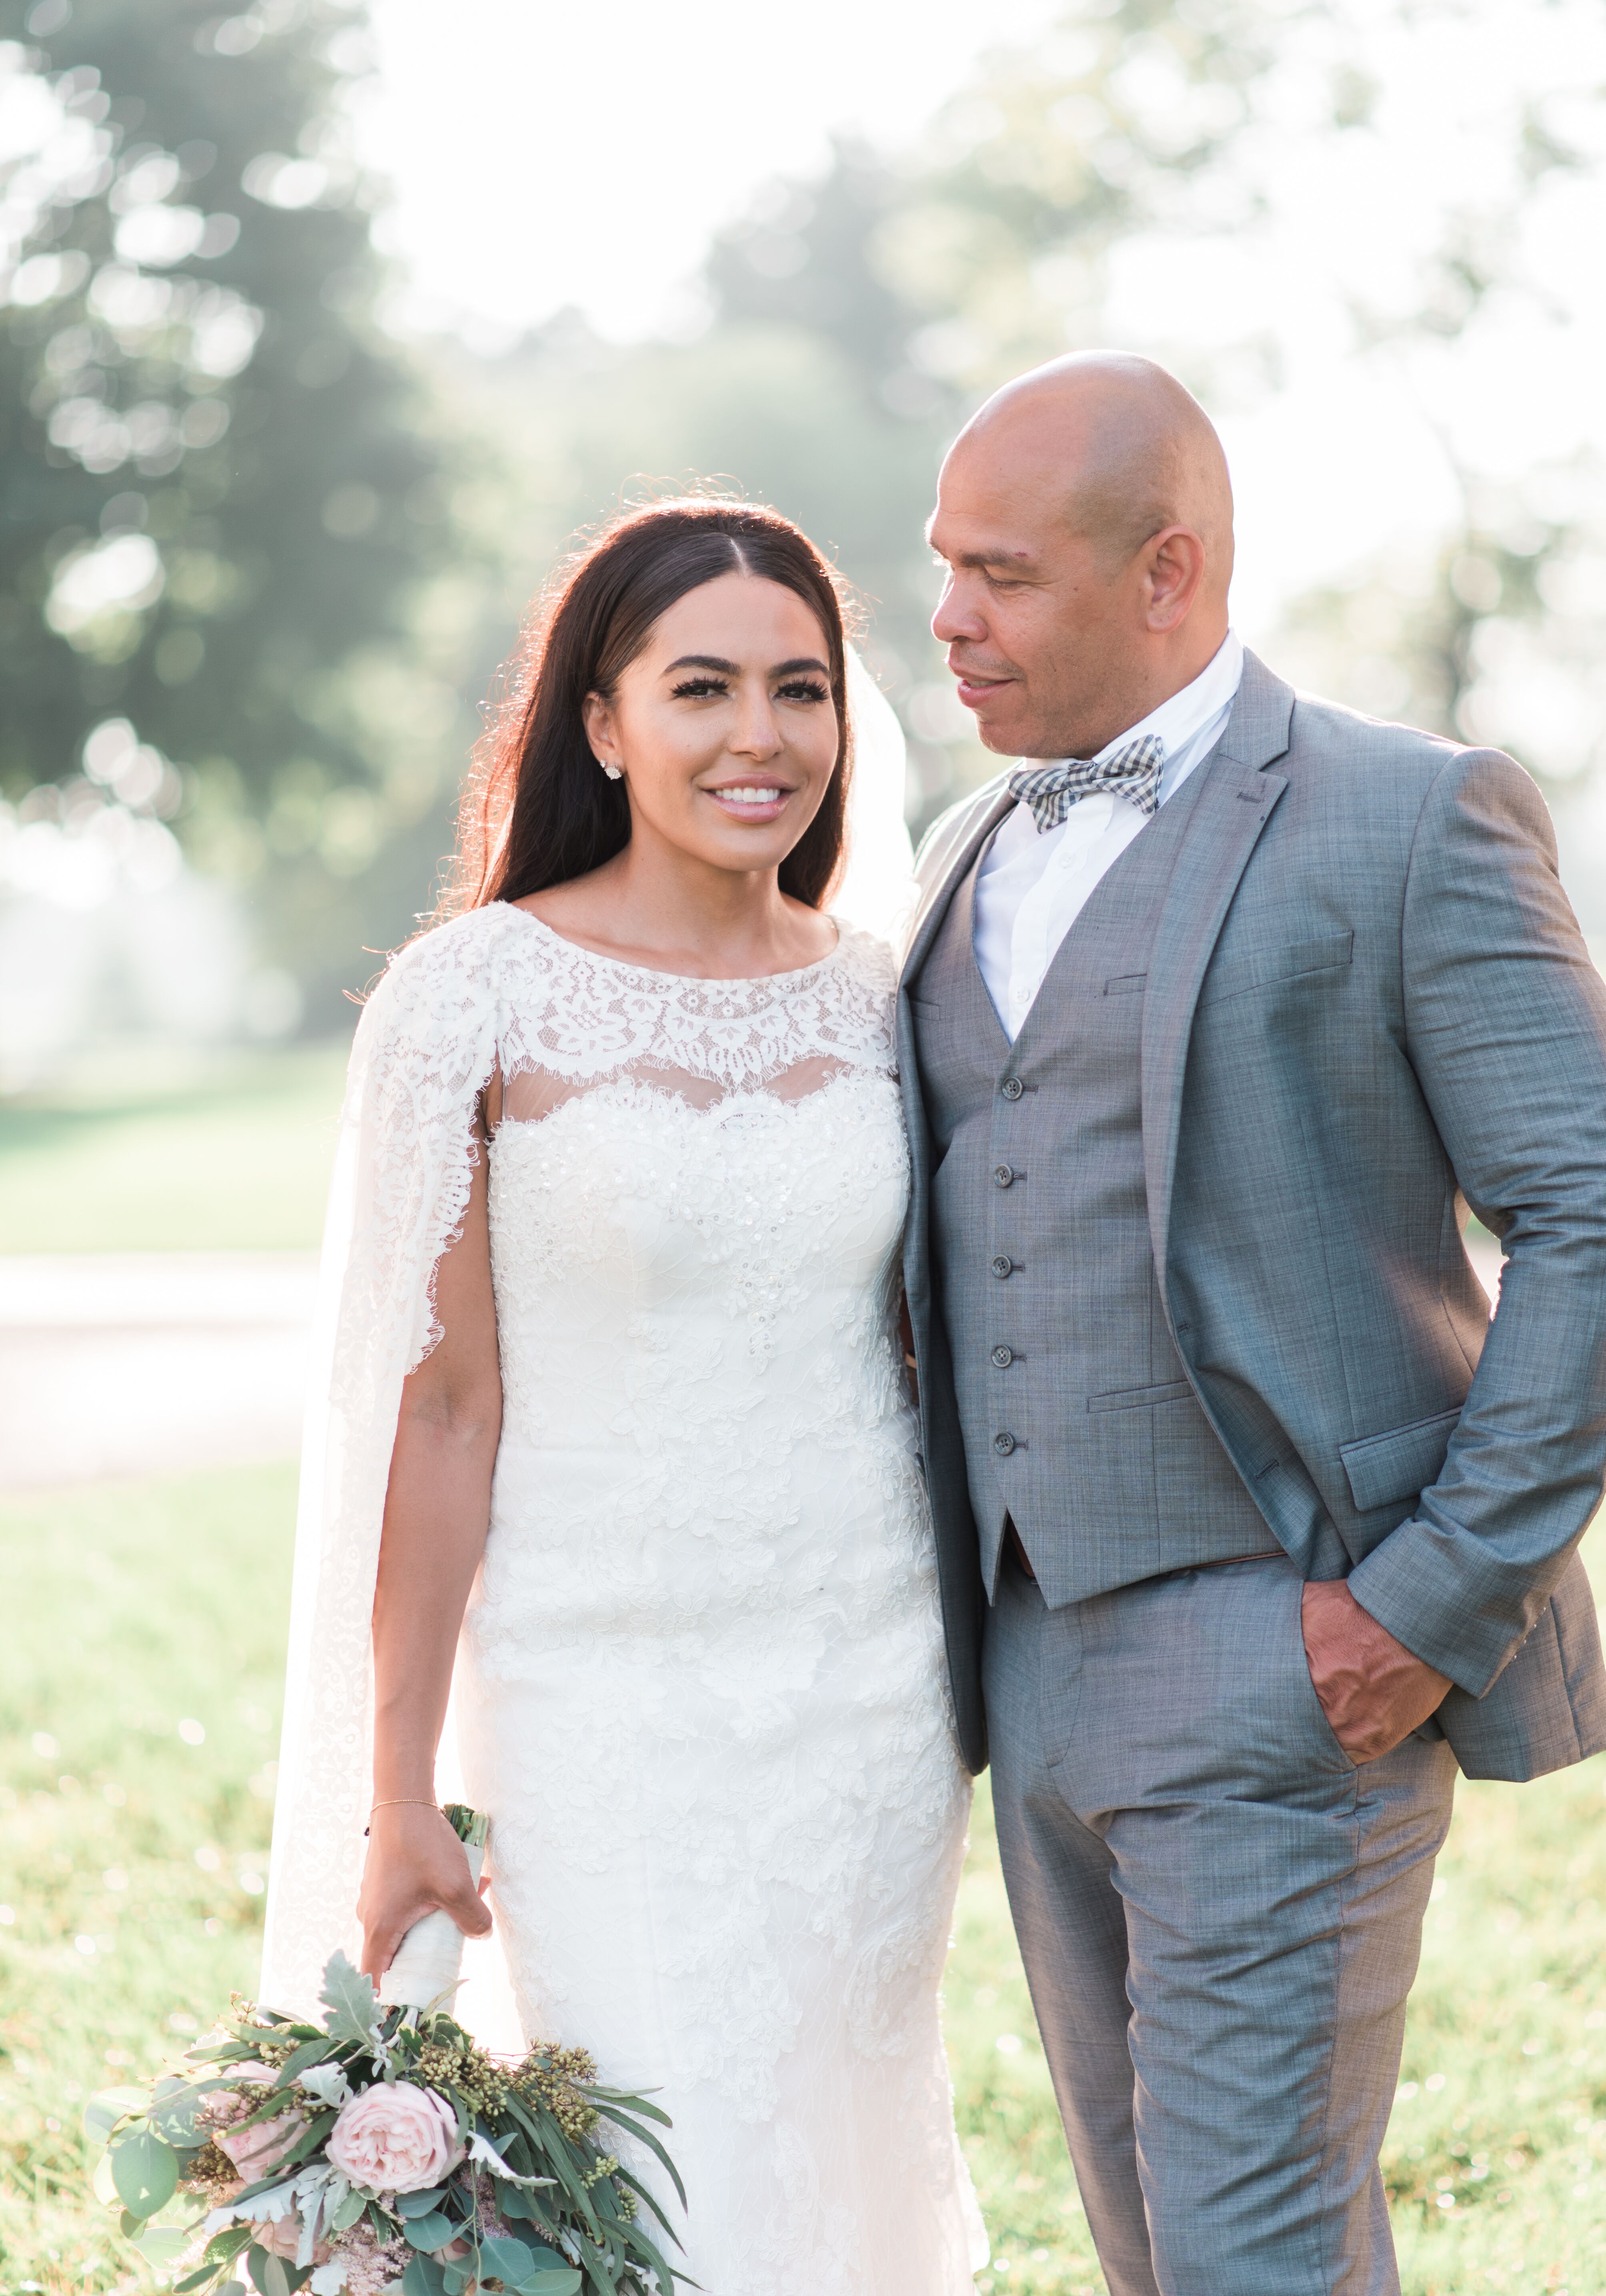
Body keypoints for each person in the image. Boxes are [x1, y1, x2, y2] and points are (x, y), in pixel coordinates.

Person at [899, 350, 1606, 2294]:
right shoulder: (959, 853)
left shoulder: (1407, 816)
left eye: (1002, 572)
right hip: (1025, 1668)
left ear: (1168, 570)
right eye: (941, 565)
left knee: (1253, 2257)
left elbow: (1585, 1213)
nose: (947, 617)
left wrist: (1428, 1597)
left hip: (1292, 1644)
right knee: (1148, 2249)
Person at [259, 499, 986, 2293]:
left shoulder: (884, 996)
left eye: (801, 689)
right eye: (704, 688)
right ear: (601, 721)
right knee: (656, 2176)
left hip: (866, 1703)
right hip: (598, 1702)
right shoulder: (469, 1002)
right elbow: (433, 1417)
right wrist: (400, 1790)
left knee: (837, 2165)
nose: (763, 737)